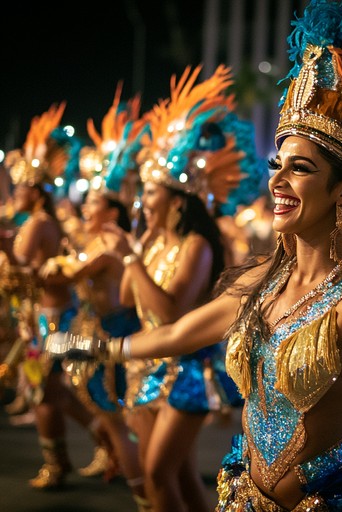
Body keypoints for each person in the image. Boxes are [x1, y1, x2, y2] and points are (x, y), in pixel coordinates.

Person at [47, 1, 342, 510]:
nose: (278, 179)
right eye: (277, 163)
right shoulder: (264, 281)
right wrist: (97, 349)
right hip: (243, 497)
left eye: (301, 169)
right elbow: (180, 334)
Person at [97, 65, 264, 512]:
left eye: (150, 195)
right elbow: (129, 303)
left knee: (157, 473)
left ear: (175, 199)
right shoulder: (152, 245)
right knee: (180, 474)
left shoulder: (197, 247)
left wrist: (132, 259)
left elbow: (169, 314)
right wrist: (133, 254)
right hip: (146, 368)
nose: (141, 203)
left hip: (185, 373)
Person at [38, 87, 151, 509]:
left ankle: (143, 493)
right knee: (64, 381)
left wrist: (55, 266)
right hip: (90, 333)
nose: (85, 206)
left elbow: (72, 270)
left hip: (112, 336)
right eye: (85, 200)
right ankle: (111, 453)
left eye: (94, 202)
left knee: (118, 420)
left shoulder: (108, 244)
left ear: (113, 210)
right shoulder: (96, 238)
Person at [4, 103, 105, 489]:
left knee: (49, 394)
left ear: (35, 190)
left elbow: (20, 275)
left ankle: (86, 451)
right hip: (45, 320)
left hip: (55, 321)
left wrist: (7, 252)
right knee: (51, 394)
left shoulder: (37, 224)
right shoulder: (38, 222)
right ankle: (88, 449)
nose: (16, 192)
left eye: (20, 186)